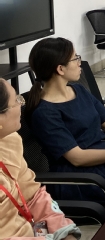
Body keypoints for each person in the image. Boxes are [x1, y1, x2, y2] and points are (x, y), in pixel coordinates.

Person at [25, 38, 105, 207]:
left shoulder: (78, 90)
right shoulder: (44, 113)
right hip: (81, 177)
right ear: (60, 69)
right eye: (75, 58)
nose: (80, 63)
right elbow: (77, 158)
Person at [0, 78, 82, 240]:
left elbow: (32, 195)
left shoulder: (10, 140)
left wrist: (63, 230)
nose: (21, 104)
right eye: (16, 100)